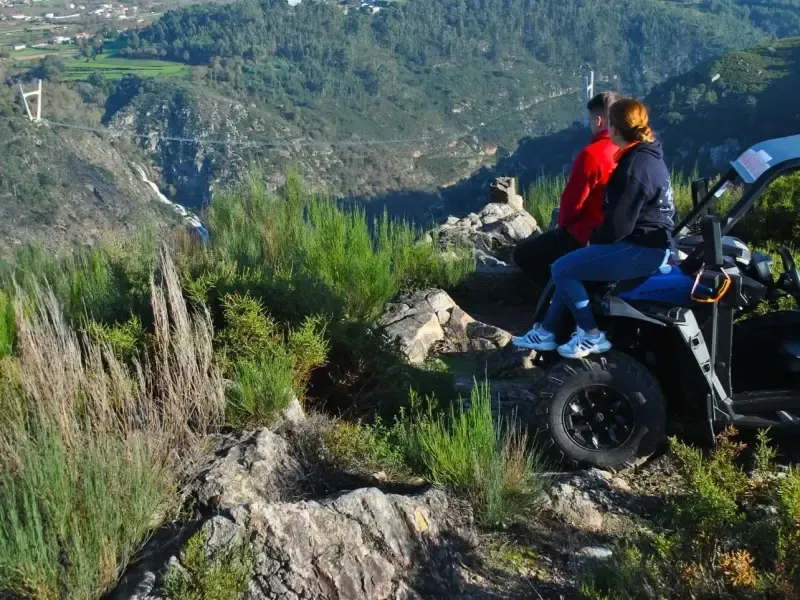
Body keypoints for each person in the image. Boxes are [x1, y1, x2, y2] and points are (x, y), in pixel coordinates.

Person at [512, 98, 675, 359]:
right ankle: (547, 331)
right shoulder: (647, 155)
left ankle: (591, 334)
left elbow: (619, 224)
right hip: (649, 244)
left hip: (640, 248)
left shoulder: (634, 168)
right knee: (569, 266)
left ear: (614, 128)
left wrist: (594, 241)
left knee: (562, 268)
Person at [512, 91, 621, 288]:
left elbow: (572, 203)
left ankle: (557, 298)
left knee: (523, 254)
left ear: (598, 121)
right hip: (619, 233)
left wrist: (563, 227)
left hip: (588, 233)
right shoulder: (630, 148)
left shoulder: (592, 154)